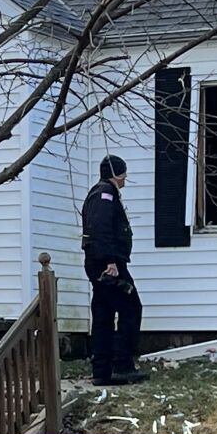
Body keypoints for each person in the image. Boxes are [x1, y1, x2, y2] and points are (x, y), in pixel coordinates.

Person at [81, 154, 146, 386]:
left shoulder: (98, 193)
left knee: (104, 314)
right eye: (123, 175)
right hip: (108, 266)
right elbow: (101, 228)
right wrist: (110, 261)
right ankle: (122, 365)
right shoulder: (105, 194)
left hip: (99, 263)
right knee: (131, 308)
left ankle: (102, 371)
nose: (125, 180)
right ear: (116, 174)